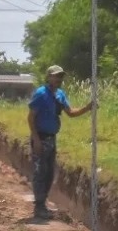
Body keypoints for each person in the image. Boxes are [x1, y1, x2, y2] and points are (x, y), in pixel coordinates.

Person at [28, 65, 95, 222]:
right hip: (41, 138)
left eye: (60, 77)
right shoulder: (40, 94)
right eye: (56, 76)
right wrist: (36, 140)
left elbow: (70, 112)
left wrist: (87, 107)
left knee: (50, 173)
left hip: (52, 138)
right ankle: (39, 207)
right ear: (49, 77)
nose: (59, 79)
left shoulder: (59, 95)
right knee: (40, 173)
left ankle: (43, 204)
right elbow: (30, 118)